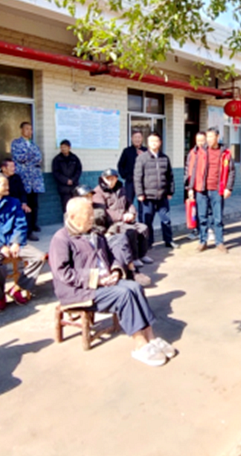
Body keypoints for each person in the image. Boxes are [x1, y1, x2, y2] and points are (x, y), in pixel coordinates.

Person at [49, 197, 177, 366]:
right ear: (72, 217)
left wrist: (116, 271)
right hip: (80, 290)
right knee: (124, 295)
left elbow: (111, 255)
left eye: (92, 213)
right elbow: (62, 273)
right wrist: (96, 278)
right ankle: (140, 344)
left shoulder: (95, 233)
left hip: (104, 281)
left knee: (135, 288)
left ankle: (151, 337)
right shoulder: (61, 239)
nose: (92, 217)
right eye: (87, 214)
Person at [0, 173, 46, 311]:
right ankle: (0, 296)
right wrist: (0, 247)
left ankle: (17, 288)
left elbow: (20, 224)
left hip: (13, 243)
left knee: (39, 257)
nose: (7, 187)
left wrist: (16, 242)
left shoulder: (14, 202)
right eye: (4, 185)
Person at [92, 169, 153, 283]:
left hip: (126, 218)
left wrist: (132, 213)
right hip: (113, 222)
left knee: (143, 228)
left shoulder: (121, 188)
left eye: (113, 178)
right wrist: (121, 216)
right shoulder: (98, 192)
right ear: (103, 179)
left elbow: (129, 203)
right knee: (130, 231)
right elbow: (103, 211)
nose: (111, 181)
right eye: (108, 179)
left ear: (116, 178)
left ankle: (142, 254)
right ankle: (134, 258)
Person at [187, 127, 235, 253]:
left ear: (217, 137)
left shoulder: (225, 153)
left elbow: (231, 171)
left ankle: (219, 242)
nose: (208, 139)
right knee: (202, 217)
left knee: (217, 218)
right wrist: (190, 187)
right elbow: (194, 170)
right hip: (201, 189)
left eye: (211, 137)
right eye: (207, 137)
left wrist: (229, 187)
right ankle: (202, 241)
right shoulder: (201, 151)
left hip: (217, 190)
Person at [135, 133, 177, 249]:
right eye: (151, 141)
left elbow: (170, 176)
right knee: (147, 221)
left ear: (160, 142)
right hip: (147, 196)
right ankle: (148, 243)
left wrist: (170, 191)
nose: (154, 143)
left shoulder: (165, 158)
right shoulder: (142, 158)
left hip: (162, 195)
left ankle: (168, 240)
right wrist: (140, 193)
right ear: (148, 143)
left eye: (156, 141)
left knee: (166, 219)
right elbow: (137, 177)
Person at [10, 122, 45, 235]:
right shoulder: (16, 143)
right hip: (24, 178)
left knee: (34, 203)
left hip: (34, 179)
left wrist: (29, 159)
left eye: (31, 129)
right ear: (21, 130)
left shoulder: (34, 144)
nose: (29, 131)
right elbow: (19, 158)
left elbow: (39, 158)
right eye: (27, 129)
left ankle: (33, 224)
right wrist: (31, 158)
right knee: (25, 203)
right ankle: (26, 227)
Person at [1, 157, 38, 241]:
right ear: (4, 168)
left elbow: (22, 192)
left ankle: (28, 233)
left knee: (27, 210)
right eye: (11, 167)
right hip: (4, 203)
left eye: (14, 166)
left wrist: (24, 203)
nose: (14, 169)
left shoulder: (16, 177)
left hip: (17, 203)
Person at [117, 130, 147, 221]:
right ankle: (128, 222)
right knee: (128, 202)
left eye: (139, 137)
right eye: (135, 137)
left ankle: (143, 223)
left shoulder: (146, 151)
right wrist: (125, 176)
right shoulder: (127, 151)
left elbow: (151, 164)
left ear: (142, 139)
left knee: (143, 204)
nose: (137, 139)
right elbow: (120, 165)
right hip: (130, 182)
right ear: (131, 139)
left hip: (143, 183)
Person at [185, 131, 209, 240]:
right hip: (194, 186)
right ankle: (196, 230)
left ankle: (208, 230)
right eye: (198, 140)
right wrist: (189, 187)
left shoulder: (209, 152)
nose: (200, 143)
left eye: (202, 140)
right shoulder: (192, 153)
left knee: (207, 210)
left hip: (206, 186)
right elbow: (188, 170)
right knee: (195, 210)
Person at [52, 139, 82, 213]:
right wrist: (66, 180)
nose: (63, 149)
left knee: (76, 206)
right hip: (64, 188)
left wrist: (73, 180)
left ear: (69, 148)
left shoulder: (74, 158)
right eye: (61, 147)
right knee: (66, 207)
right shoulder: (57, 159)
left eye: (65, 147)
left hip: (74, 186)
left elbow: (78, 170)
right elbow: (56, 173)